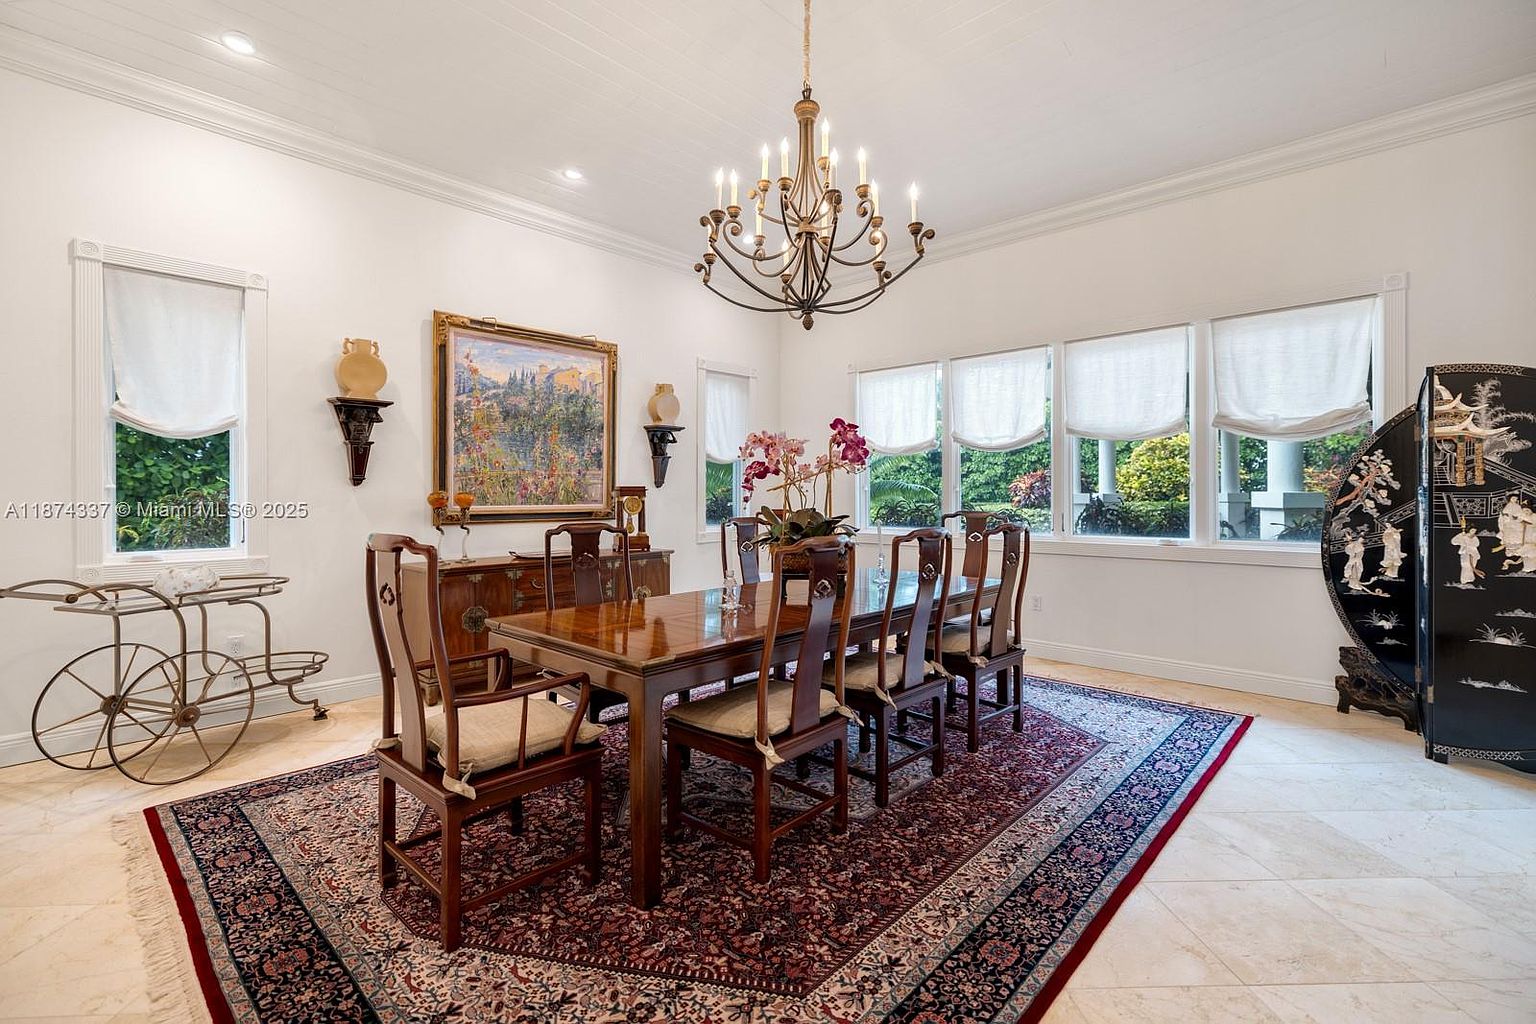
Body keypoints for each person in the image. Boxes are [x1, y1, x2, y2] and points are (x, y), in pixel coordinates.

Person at [1451, 520, 1482, 586]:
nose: (1473, 532)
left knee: (1471, 566)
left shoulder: (1475, 538)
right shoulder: (1462, 535)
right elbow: (1453, 541)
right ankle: (1464, 580)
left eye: (1475, 531)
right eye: (1472, 531)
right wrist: (1462, 540)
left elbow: (1477, 544)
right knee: (1465, 566)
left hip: (1473, 553)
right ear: (1469, 530)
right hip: (1465, 553)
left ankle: (1470, 580)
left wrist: (1469, 543)